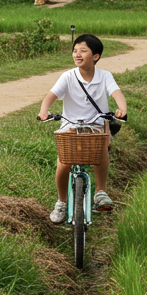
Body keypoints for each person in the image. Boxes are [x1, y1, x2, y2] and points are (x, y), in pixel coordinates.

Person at [37, 33, 127, 220]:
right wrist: (44, 110)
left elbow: (116, 93)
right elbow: (51, 95)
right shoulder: (68, 76)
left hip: (96, 126)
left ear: (95, 56)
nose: (77, 54)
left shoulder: (105, 76)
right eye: (75, 51)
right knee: (64, 162)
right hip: (69, 126)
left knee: (101, 151)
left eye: (83, 51)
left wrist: (122, 108)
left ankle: (100, 191)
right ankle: (61, 202)